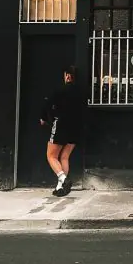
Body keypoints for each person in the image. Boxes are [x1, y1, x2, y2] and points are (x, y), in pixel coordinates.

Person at [40, 65, 87, 196]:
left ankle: (63, 179)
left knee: (51, 156)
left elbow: (48, 104)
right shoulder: (81, 91)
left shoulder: (60, 90)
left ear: (67, 75)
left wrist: (44, 118)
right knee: (65, 157)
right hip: (76, 127)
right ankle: (60, 188)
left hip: (61, 125)